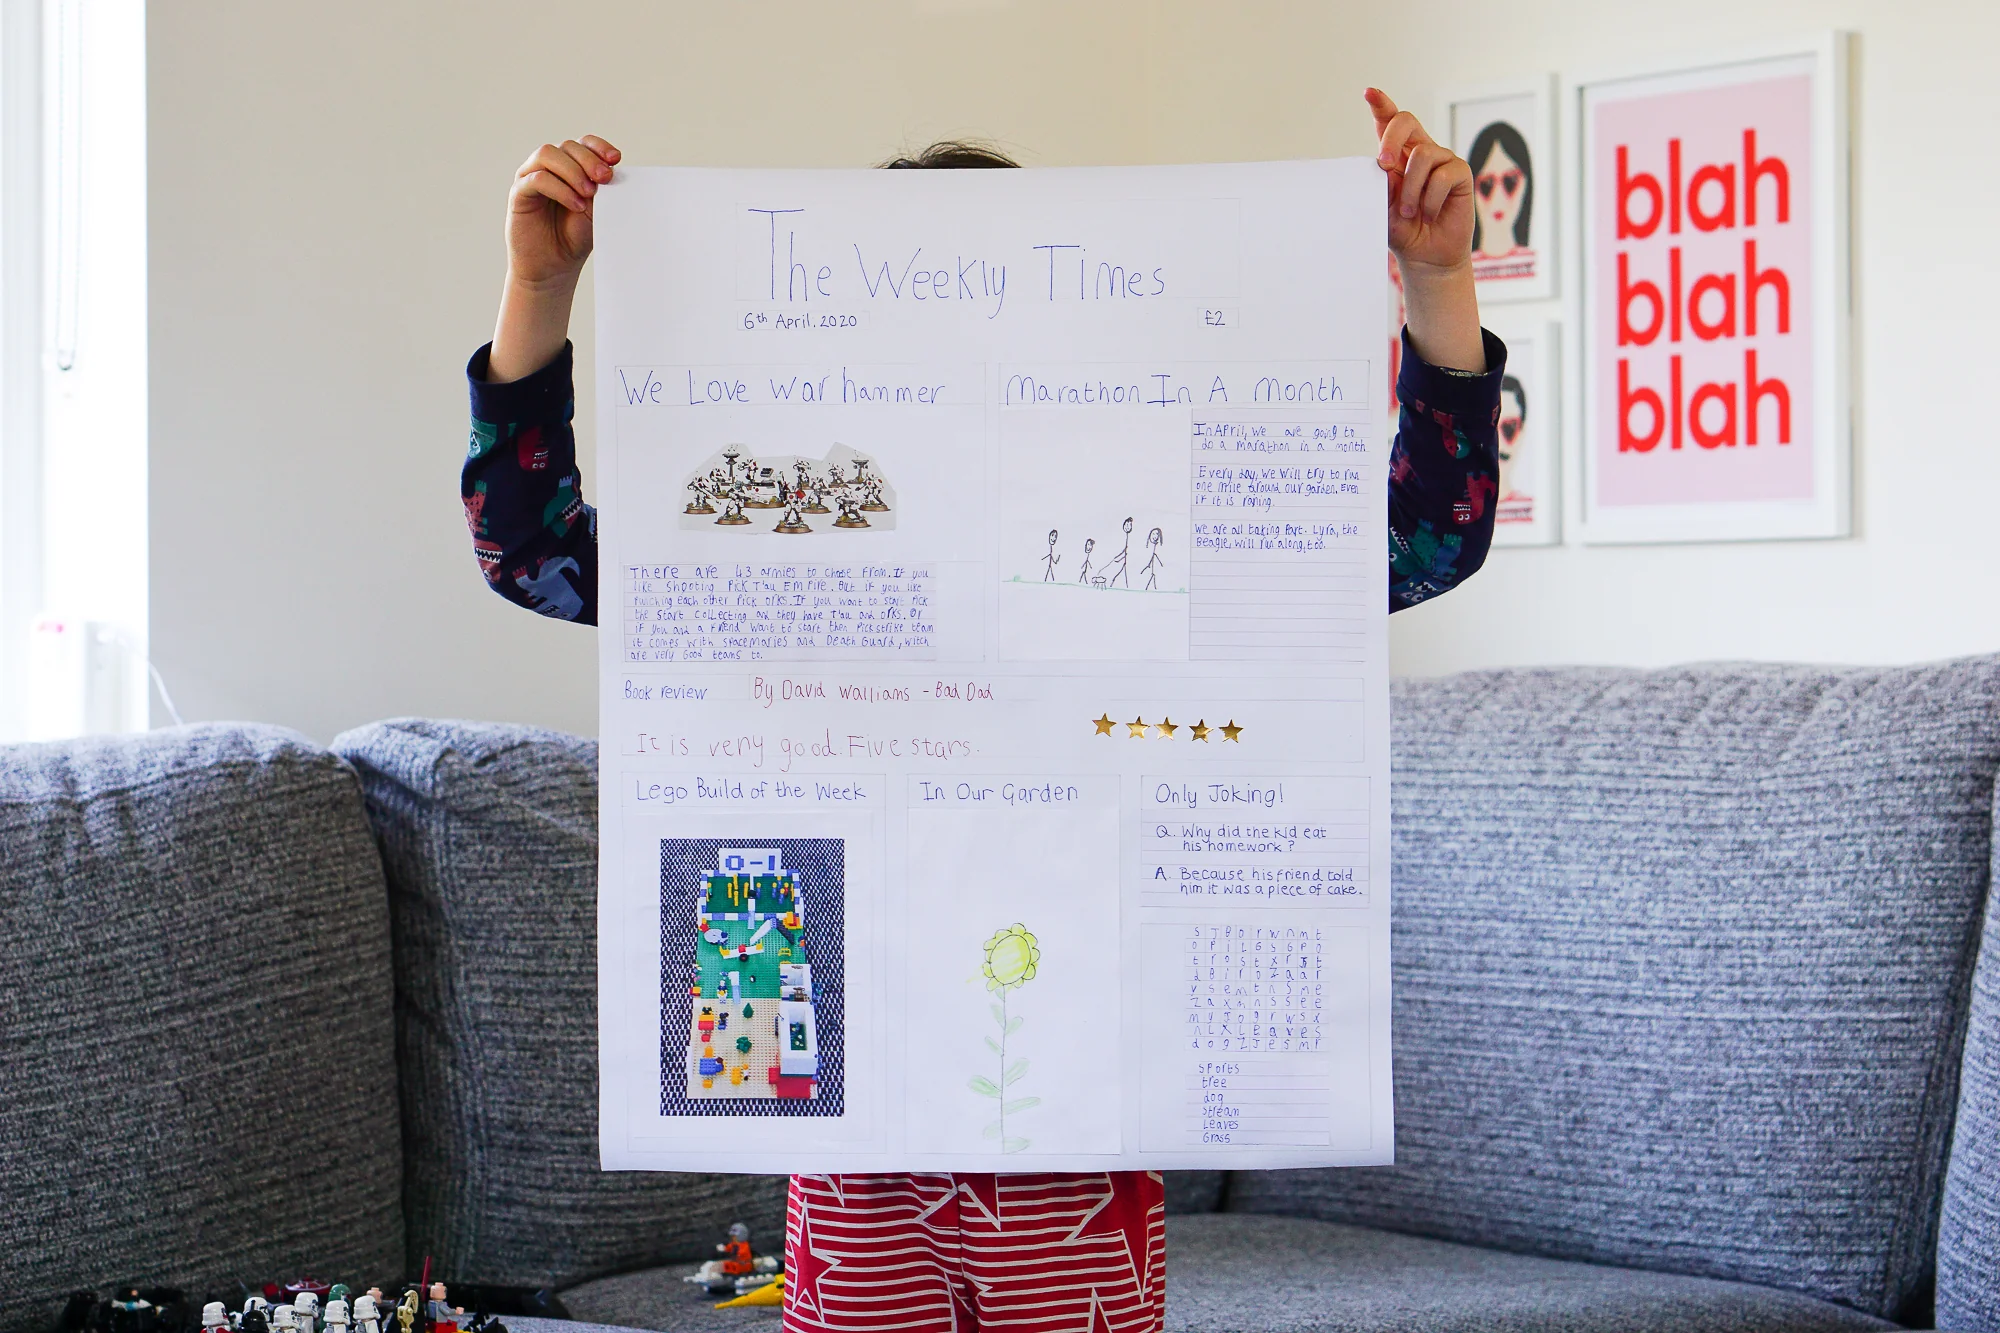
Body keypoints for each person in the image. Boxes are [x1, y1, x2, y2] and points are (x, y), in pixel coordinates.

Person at [459, 87, 1501, 1333]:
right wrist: (539, 290)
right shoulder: (784, 544)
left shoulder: (1137, 540)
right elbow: (530, 549)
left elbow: (1420, 544)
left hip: (1081, 1097)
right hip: (849, 1105)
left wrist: (1434, 286)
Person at [1467, 118, 1536, 281]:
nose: (1498, 198)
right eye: (1486, 184)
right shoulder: (1454, 272)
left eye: (1510, 181)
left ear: (1527, 184)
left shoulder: (1536, 263)